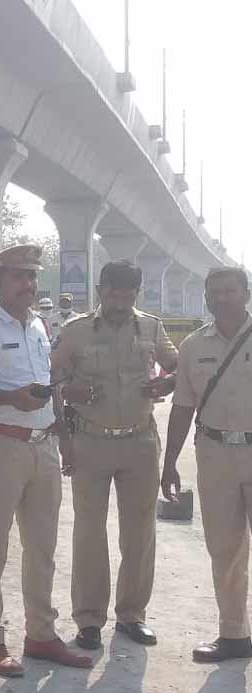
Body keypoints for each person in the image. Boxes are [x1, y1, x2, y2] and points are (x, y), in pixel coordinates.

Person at [0, 244, 92, 677]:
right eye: (18, 276)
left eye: (31, 276)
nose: (27, 284)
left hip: (43, 446)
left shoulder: (40, 327)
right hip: (2, 446)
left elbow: (50, 385)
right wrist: (9, 399)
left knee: (43, 546)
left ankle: (41, 634)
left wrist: (63, 435)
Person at [49, 260, 178, 651]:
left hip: (139, 442)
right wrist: (73, 406)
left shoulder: (151, 327)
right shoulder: (76, 331)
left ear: (136, 294)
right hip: (90, 441)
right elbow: (51, 381)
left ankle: (132, 615)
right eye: (112, 292)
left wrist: (166, 384)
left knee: (139, 533)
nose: (119, 300)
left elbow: (178, 368)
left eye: (127, 294)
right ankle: (89, 620)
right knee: (89, 532)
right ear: (100, 290)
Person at [162, 266, 252, 662]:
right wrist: (170, 463)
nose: (220, 298)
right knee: (224, 548)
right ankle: (233, 635)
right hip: (214, 454)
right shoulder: (194, 346)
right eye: (213, 292)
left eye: (229, 291)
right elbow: (182, 407)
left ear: (246, 293)